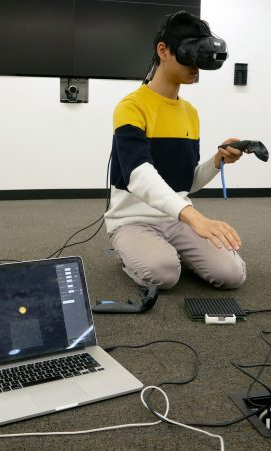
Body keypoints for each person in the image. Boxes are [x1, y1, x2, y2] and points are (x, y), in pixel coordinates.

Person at [104, 11, 247, 290]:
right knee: (164, 274)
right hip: (132, 220)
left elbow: (185, 183)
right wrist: (194, 217)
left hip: (177, 218)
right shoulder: (131, 107)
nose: (195, 66)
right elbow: (139, 175)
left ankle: (171, 251)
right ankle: (134, 252)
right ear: (163, 51)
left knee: (232, 274)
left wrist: (217, 161)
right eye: (189, 54)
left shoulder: (190, 113)